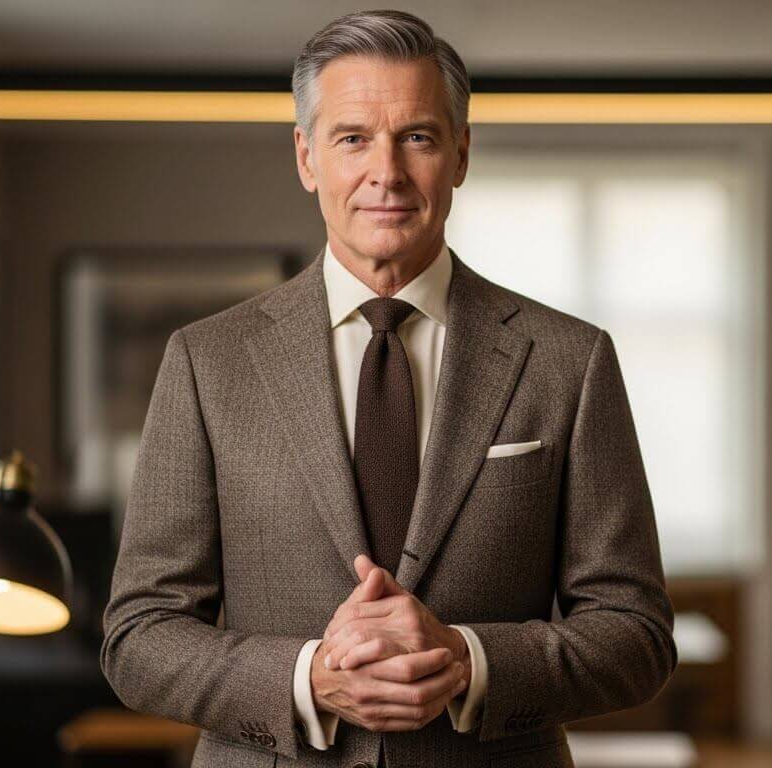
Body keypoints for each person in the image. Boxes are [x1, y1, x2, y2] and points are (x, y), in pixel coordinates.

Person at [101, 10, 675, 767]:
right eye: (352, 139)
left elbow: (636, 633)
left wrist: (467, 661)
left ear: (460, 153)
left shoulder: (570, 360)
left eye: (418, 137)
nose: (387, 173)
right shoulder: (207, 363)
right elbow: (138, 637)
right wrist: (310, 679)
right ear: (306, 157)